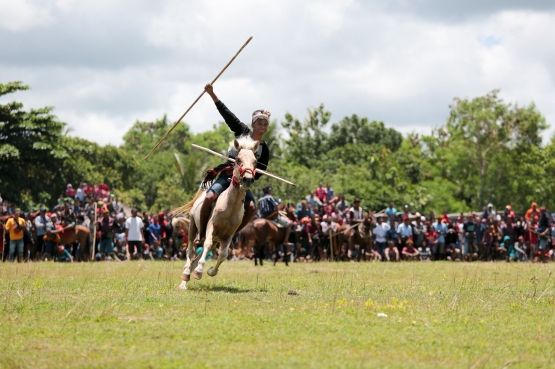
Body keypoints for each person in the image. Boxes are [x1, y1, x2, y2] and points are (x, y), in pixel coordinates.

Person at [194, 83, 270, 246]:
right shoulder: (242, 130)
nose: (262, 127)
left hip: (244, 183)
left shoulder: (264, 149)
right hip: (228, 176)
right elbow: (226, 113)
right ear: (253, 124)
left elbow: (261, 172)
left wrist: (251, 171)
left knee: (251, 208)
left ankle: (232, 233)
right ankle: (201, 232)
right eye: (259, 123)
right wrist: (212, 94)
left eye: (265, 124)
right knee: (208, 197)